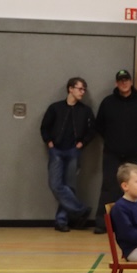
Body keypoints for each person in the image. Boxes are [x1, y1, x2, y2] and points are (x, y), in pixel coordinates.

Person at [94, 70, 137, 232]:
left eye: (126, 80)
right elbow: (99, 125)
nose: (124, 83)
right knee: (109, 187)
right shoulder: (107, 102)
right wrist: (112, 140)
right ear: (117, 83)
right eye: (120, 80)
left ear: (131, 82)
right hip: (112, 153)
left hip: (135, 154)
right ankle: (104, 223)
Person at [41, 76, 95, 232]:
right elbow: (44, 127)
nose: (82, 92)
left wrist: (82, 143)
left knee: (70, 186)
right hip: (56, 151)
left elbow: (92, 130)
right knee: (55, 184)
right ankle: (80, 210)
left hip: (73, 151)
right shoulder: (55, 108)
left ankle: (61, 221)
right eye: (80, 89)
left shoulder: (85, 111)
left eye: (84, 90)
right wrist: (49, 142)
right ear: (70, 89)